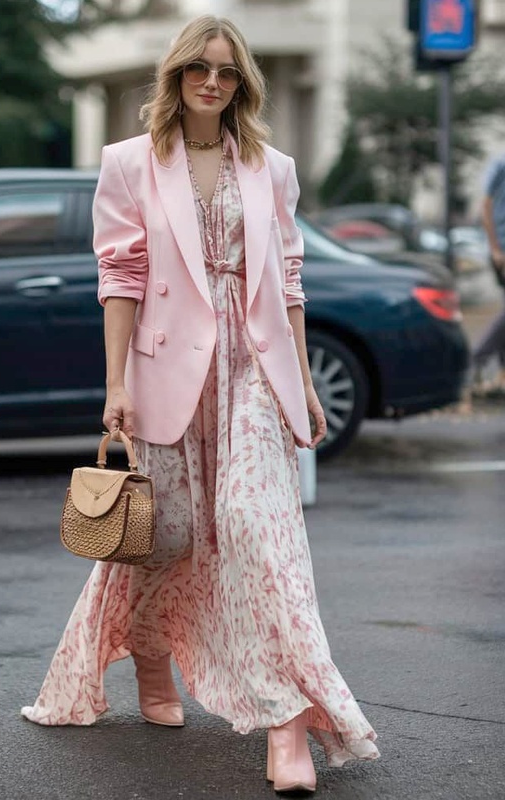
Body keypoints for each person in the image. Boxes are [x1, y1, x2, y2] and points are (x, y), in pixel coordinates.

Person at [21, 15, 379, 793]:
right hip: (166, 369)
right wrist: (114, 384)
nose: (212, 82)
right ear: (176, 78)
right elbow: (118, 281)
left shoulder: (273, 168)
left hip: (254, 367)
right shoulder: (128, 165)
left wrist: (306, 384)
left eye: (225, 71)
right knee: (169, 533)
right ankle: (152, 664)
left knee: (257, 529)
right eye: (197, 70)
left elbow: (287, 280)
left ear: (242, 83)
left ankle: (287, 725)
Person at [471, 153, 505, 393]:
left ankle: (501, 375)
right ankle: (477, 357)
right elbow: (485, 207)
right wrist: (495, 249)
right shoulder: (499, 165)